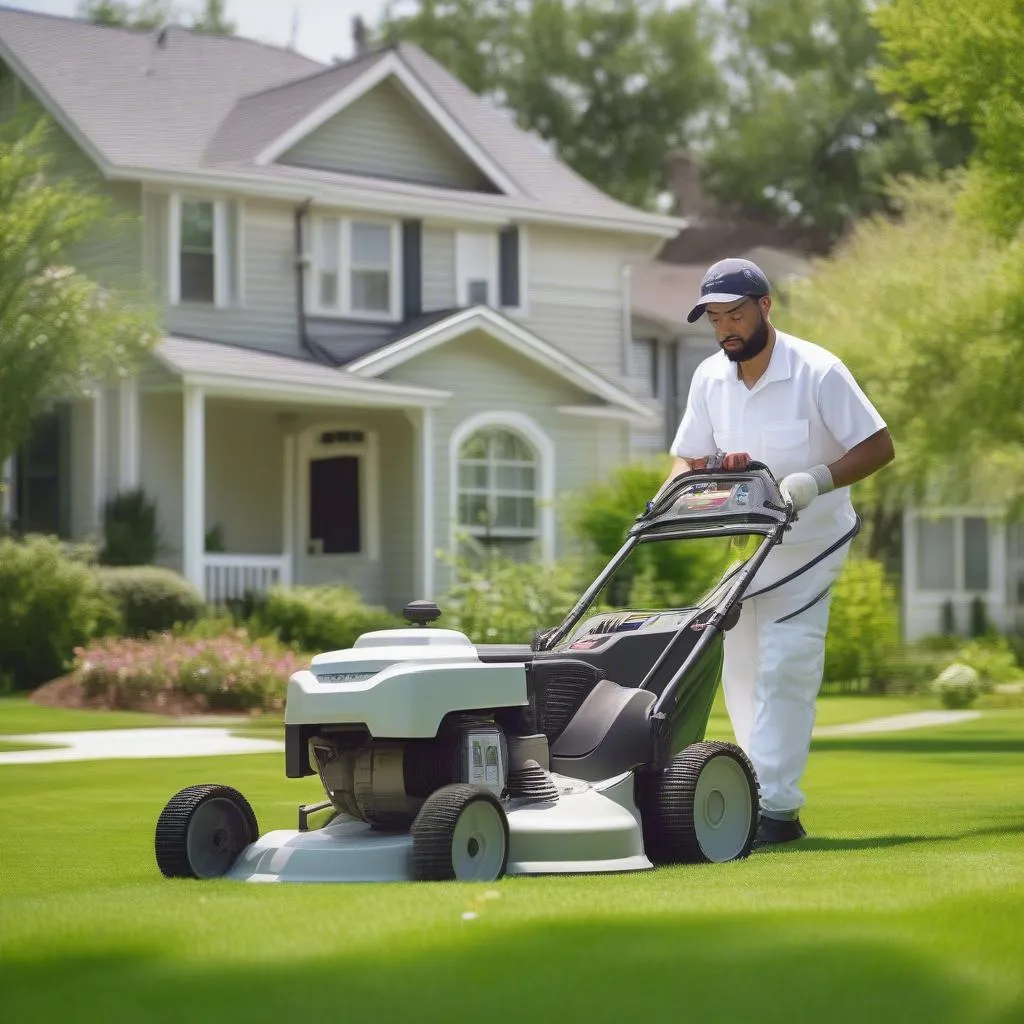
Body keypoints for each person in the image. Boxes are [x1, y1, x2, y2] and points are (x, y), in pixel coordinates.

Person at [666, 257, 895, 847]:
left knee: (787, 660)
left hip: (815, 539)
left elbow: (878, 446)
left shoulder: (817, 370)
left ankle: (778, 810)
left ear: (765, 307)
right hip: (750, 543)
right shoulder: (710, 378)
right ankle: (752, 790)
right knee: (738, 658)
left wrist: (814, 479)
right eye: (714, 319)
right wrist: (682, 487)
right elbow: (687, 455)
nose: (725, 331)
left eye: (734, 315)